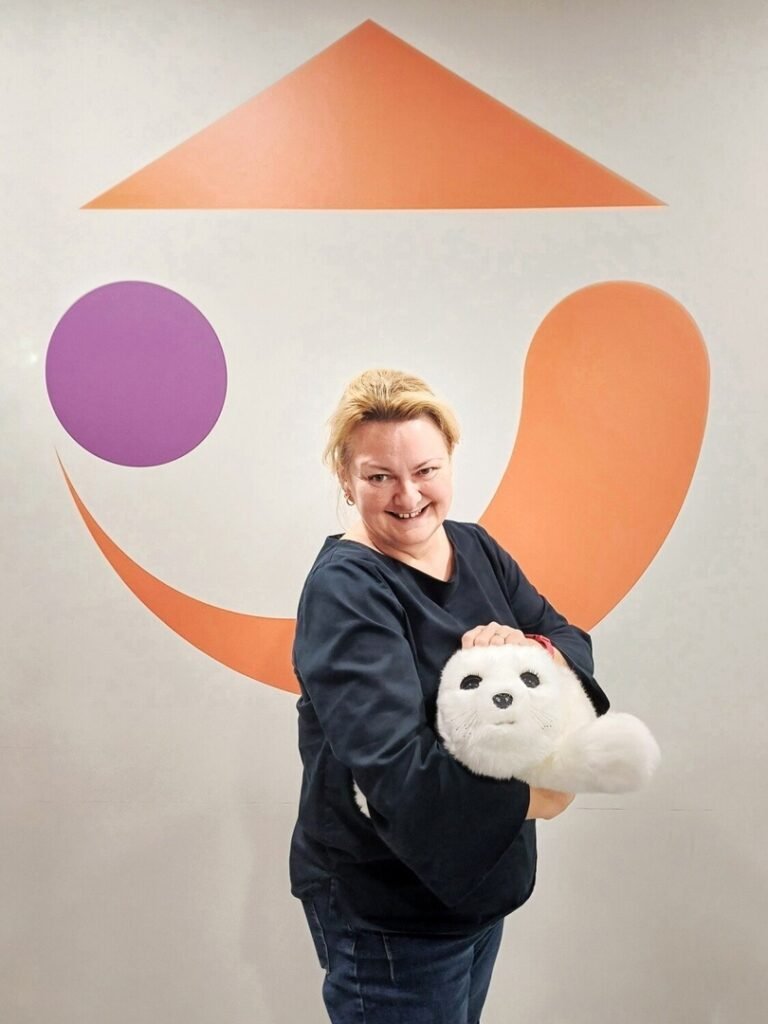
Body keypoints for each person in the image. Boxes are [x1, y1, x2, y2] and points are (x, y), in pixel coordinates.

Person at [290, 368, 609, 1023]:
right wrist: (539, 797)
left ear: (451, 461)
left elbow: (568, 639)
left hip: (477, 888)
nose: (407, 496)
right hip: (392, 909)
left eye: (425, 470)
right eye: (379, 476)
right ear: (346, 479)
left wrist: (525, 650)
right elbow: (397, 770)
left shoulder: (474, 545)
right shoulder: (347, 590)